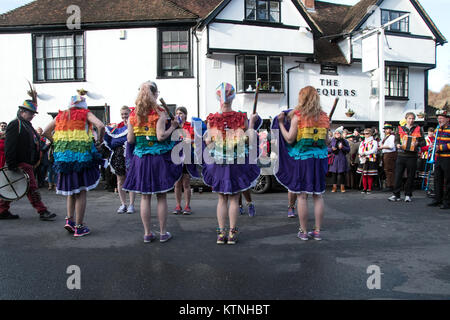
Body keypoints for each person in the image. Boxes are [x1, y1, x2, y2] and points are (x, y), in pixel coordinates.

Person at [122, 81, 182, 243]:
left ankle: (147, 233)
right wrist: (174, 126)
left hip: (140, 160)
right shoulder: (160, 113)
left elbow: (130, 139)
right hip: (158, 159)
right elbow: (161, 136)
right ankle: (163, 233)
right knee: (161, 196)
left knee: (145, 197)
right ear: (155, 94)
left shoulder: (133, 115)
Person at [203, 82, 260, 245]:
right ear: (233, 97)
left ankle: (221, 234)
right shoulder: (242, 117)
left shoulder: (212, 118)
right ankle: (232, 234)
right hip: (237, 162)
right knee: (234, 198)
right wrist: (253, 123)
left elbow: (208, 142)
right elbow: (249, 139)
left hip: (220, 163)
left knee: (222, 199)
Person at [43, 95, 104, 237]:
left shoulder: (61, 115)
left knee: (71, 190)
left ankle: (69, 220)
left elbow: (46, 131)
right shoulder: (85, 113)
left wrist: (57, 142)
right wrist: (99, 142)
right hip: (81, 159)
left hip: (63, 159)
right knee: (81, 191)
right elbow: (100, 125)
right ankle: (79, 226)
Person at [274, 86, 330, 241]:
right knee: (318, 195)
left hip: (302, 160)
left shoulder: (298, 117)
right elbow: (327, 141)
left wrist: (280, 124)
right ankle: (317, 231)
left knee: (302, 196)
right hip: (319, 160)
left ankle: (304, 231)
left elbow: (290, 138)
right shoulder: (324, 117)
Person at [0, 100, 56, 220]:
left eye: (33, 113)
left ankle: (2, 210)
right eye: (31, 113)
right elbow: (9, 145)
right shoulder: (15, 124)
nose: (32, 116)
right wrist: (11, 164)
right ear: (22, 111)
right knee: (31, 188)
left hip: (27, 162)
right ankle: (42, 211)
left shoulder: (27, 125)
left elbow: (34, 145)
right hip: (20, 163)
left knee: (13, 186)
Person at [104, 106, 136, 214]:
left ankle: (131, 204)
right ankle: (123, 204)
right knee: (120, 180)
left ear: (130, 114)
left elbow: (132, 140)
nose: (124, 116)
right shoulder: (118, 127)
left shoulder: (134, 124)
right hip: (118, 155)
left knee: (131, 179)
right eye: (122, 114)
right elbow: (112, 142)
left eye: (126, 114)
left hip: (130, 154)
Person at [388, 112, 425, 202]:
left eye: (413, 119)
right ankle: (396, 194)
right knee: (398, 175)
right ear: (406, 119)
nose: (411, 120)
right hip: (401, 155)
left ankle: (408, 195)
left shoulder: (418, 129)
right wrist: (397, 145)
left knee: (411, 176)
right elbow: (396, 140)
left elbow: (424, 142)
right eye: (409, 118)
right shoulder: (400, 128)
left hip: (412, 155)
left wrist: (418, 143)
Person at [172, 106, 197, 215]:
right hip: (176, 156)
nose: (179, 115)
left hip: (187, 156)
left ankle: (187, 205)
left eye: (181, 113)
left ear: (185, 115)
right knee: (177, 183)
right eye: (177, 113)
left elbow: (195, 139)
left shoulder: (190, 126)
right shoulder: (173, 126)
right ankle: (178, 205)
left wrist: (190, 140)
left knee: (186, 183)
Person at [428, 110, 450, 209]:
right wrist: (433, 145)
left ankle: (447, 201)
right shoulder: (437, 129)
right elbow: (436, 141)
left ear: (447, 119)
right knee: (437, 179)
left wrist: (440, 147)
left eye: (441, 118)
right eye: (438, 118)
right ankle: (438, 199)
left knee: (448, 180)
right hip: (439, 158)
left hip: (448, 158)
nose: (439, 120)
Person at [328, 126, 350, 193]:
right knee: (334, 174)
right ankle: (334, 187)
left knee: (341, 174)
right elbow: (326, 149)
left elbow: (348, 149)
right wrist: (331, 149)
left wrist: (342, 147)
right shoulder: (332, 140)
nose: (337, 134)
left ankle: (342, 187)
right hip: (334, 159)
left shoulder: (344, 141)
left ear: (340, 134)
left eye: (338, 133)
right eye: (336, 133)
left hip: (341, 158)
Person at [357, 128, 378, 194]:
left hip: (371, 159)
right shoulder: (362, 142)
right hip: (363, 159)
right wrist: (361, 154)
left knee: (369, 175)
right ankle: (364, 188)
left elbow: (373, 150)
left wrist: (365, 153)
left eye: (367, 134)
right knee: (364, 174)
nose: (365, 135)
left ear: (371, 134)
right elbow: (360, 150)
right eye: (364, 134)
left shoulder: (374, 142)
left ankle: (369, 188)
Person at [378, 124, 397, 192]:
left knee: (389, 170)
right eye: (385, 129)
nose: (386, 130)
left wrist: (382, 147)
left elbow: (391, 146)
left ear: (391, 130)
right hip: (386, 153)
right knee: (387, 169)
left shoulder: (391, 136)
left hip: (390, 154)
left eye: (388, 129)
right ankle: (389, 184)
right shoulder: (387, 137)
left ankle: (391, 185)